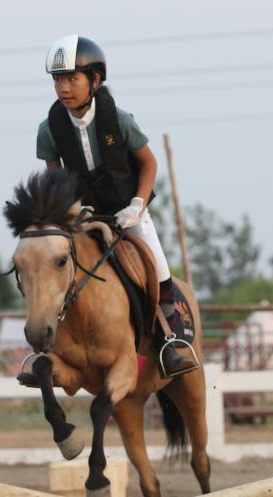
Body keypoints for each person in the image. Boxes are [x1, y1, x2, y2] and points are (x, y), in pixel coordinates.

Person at [37, 34, 197, 377]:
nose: (64, 88)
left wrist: (138, 205)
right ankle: (45, 343)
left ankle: (173, 339)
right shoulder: (49, 129)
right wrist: (70, 211)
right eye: (58, 80)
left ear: (94, 80)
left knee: (157, 263)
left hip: (127, 209)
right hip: (84, 216)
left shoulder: (119, 119)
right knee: (50, 266)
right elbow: (55, 180)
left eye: (72, 79)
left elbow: (149, 164)